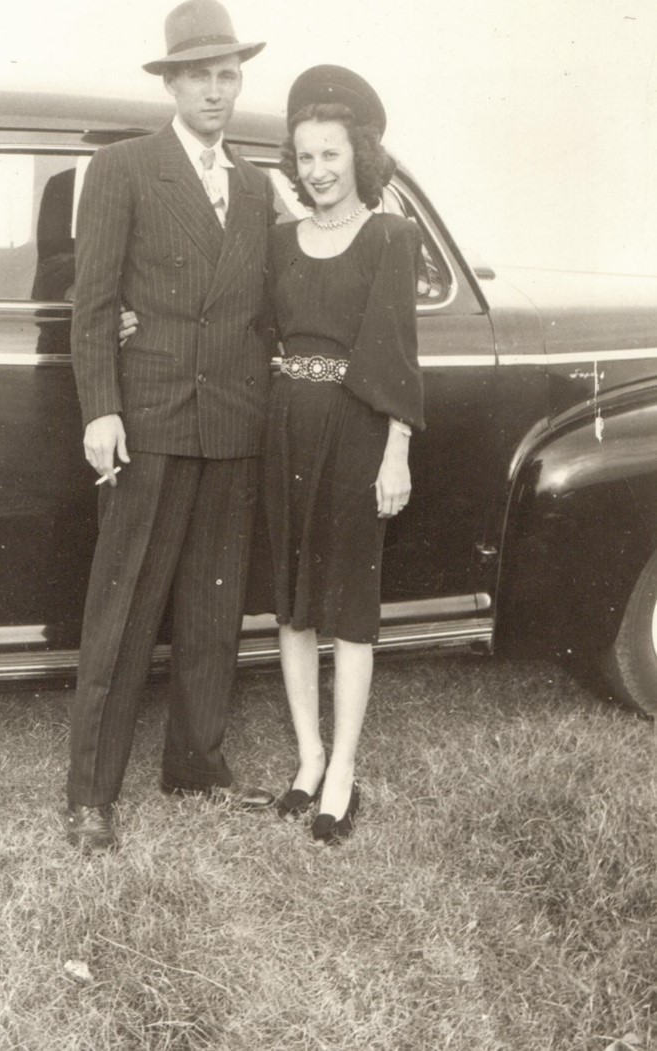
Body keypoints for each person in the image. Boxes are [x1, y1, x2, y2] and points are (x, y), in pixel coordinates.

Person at [67, 0, 276, 852]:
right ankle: (90, 793)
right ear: (174, 82)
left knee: (213, 605)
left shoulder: (259, 186)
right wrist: (101, 408)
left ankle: (195, 759)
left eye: (229, 74)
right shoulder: (123, 169)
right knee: (122, 609)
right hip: (149, 419)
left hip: (233, 422)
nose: (217, 90)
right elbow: (94, 304)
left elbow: (262, 307)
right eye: (201, 75)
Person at [263, 66, 424, 844]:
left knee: (349, 610)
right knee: (292, 602)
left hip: (357, 432)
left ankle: (344, 771)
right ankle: (307, 757)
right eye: (304, 157)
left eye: (330, 155)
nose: (316, 172)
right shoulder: (276, 241)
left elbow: (396, 353)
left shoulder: (391, 237)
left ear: (357, 154)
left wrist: (395, 452)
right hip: (283, 432)